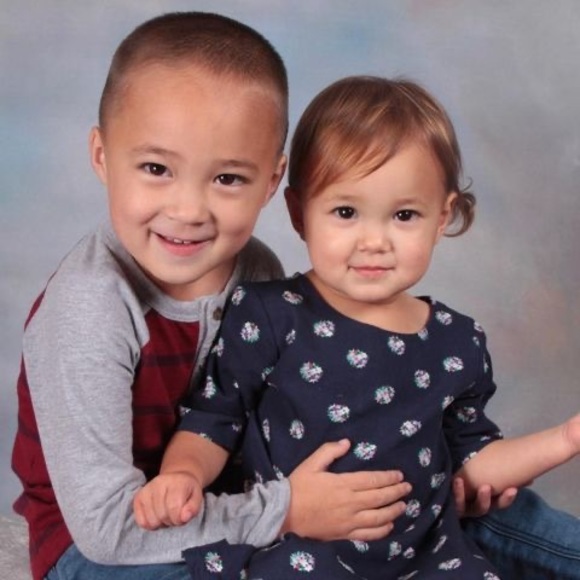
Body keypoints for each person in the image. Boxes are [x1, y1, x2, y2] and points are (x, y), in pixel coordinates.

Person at [10, 17, 417, 580]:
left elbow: (279, 408)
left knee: (400, 528)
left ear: (271, 181)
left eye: (227, 179)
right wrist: (286, 511)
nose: (188, 210)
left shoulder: (257, 272)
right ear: (102, 156)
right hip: (97, 548)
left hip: (228, 503)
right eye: (156, 169)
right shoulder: (90, 308)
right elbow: (107, 531)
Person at [137, 76, 580, 579]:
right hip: (302, 553)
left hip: (427, 557)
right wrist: (182, 474)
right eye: (346, 212)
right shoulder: (271, 314)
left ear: (442, 217)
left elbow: (473, 464)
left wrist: (565, 440)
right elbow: (213, 420)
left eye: (404, 215)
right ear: (300, 213)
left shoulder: (457, 341)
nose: (374, 241)